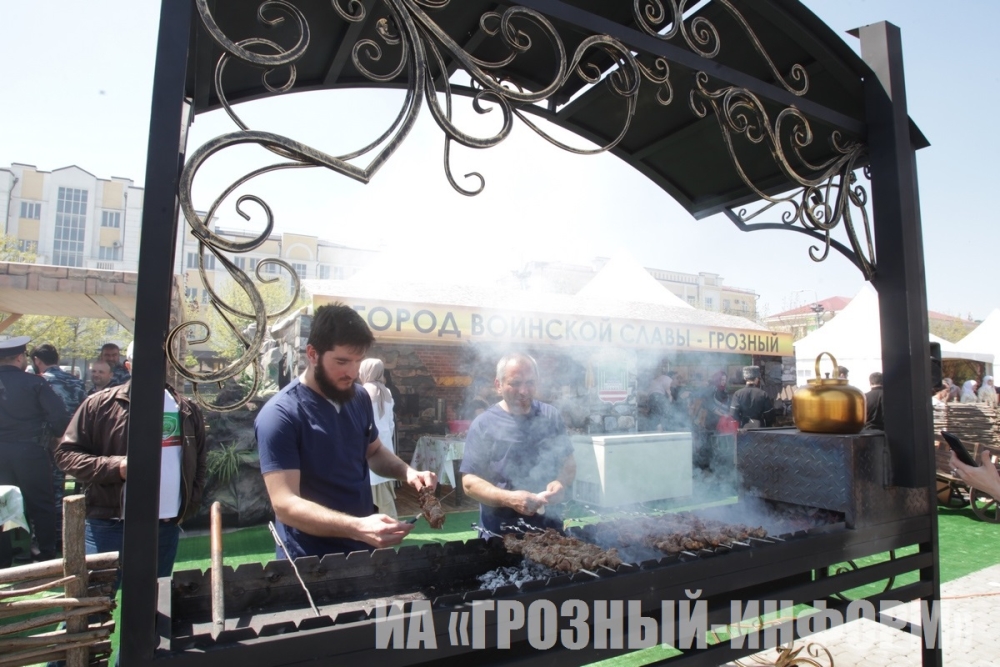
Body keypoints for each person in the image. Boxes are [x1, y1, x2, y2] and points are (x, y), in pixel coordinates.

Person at [254, 304, 436, 559]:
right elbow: (285, 504)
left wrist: (408, 472)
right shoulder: (280, 415)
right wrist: (358, 527)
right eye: (342, 361)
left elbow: (374, 451)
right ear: (312, 354)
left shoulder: (359, 397)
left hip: (363, 548)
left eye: (358, 361)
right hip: (309, 559)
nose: (352, 372)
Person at [54, 341, 208, 587]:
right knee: (96, 600)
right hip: (109, 523)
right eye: (142, 360)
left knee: (155, 601)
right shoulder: (99, 404)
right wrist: (116, 467)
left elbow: (199, 461)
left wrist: (190, 503)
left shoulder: (186, 409)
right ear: (128, 366)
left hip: (165, 525)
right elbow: (66, 454)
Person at [460, 353, 576, 537]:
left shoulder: (551, 416)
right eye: (515, 383)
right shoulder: (484, 424)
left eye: (530, 382)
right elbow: (469, 483)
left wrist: (560, 482)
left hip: (550, 531)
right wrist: (509, 498)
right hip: (501, 532)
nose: (523, 391)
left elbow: (568, 462)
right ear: (498, 385)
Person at [0, 336, 70, 567]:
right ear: (20, 357)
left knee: (1, 503)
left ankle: (3, 557)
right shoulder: (35, 383)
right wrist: (54, 437)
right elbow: (59, 418)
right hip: (30, 451)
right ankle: (45, 554)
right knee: (40, 503)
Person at [30, 344, 86, 554]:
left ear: (37, 360)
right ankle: (65, 537)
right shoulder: (76, 382)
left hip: (48, 444)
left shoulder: (39, 382)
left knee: (46, 493)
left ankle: (45, 541)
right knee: (65, 492)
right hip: (74, 442)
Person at [360, 358, 398, 519]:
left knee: (371, 490)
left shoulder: (361, 392)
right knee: (384, 490)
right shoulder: (387, 392)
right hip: (385, 446)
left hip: (368, 447)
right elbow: (390, 424)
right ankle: (390, 522)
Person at [645, 363, 673, 430]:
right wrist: (670, 402)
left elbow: (647, 396)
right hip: (658, 399)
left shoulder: (654, 381)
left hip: (653, 399)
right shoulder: (666, 378)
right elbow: (669, 392)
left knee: (655, 419)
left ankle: (656, 430)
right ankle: (660, 430)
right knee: (662, 417)